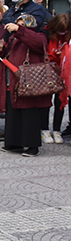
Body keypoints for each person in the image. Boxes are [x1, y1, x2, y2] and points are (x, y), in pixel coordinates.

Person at [0, 14, 51, 156]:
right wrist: (0, 47)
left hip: (29, 81)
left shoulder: (39, 36)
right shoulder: (14, 38)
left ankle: (32, 146)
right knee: (13, 113)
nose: (18, 27)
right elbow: (2, 55)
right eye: (17, 24)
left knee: (29, 114)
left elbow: (37, 43)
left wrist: (19, 30)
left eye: (22, 24)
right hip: (12, 80)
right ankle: (14, 143)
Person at [42, 13, 70, 144]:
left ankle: (57, 129)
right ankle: (44, 129)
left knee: (60, 102)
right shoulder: (46, 33)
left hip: (62, 72)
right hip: (47, 71)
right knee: (46, 101)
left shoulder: (67, 36)